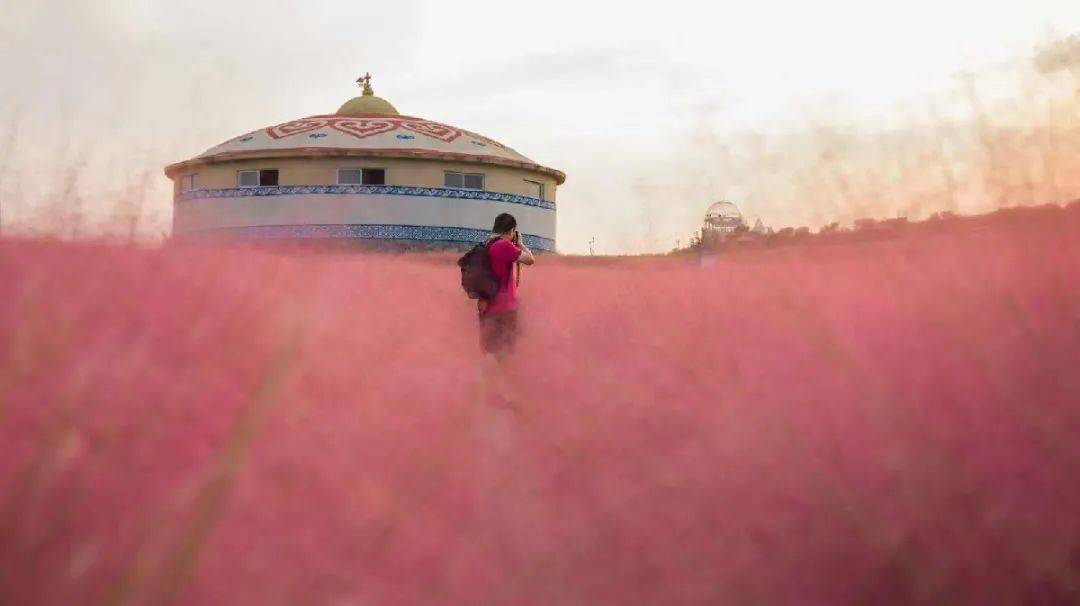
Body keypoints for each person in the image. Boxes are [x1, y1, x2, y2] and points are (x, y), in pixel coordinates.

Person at [478, 212, 535, 357]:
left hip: (486, 306)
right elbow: (530, 259)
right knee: (505, 353)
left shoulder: (485, 244)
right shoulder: (504, 246)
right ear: (511, 230)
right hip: (505, 308)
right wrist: (520, 243)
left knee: (490, 350)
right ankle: (500, 379)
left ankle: (487, 379)